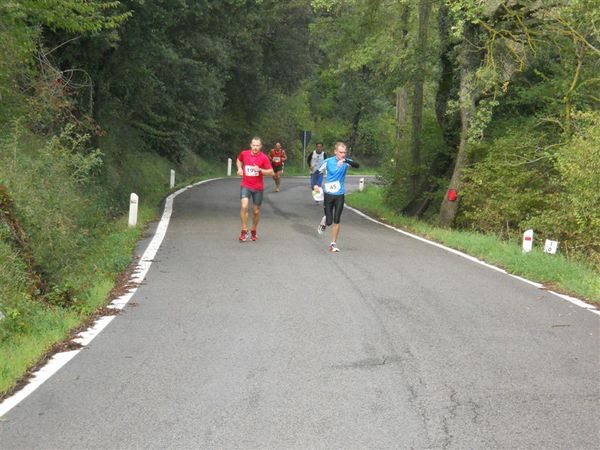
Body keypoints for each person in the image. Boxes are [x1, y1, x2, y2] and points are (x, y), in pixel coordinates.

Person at [315, 141, 359, 252]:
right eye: (340, 152)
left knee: (337, 220)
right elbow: (317, 172)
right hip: (329, 194)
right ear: (335, 152)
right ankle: (325, 220)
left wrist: (345, 160)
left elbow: (357, 165)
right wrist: (316, 184)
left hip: (340, 194)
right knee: (329, 221)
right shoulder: (328, 161)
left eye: (344, 152)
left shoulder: (346, 162)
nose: (343, 154)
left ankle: (333, 244)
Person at [236, 137, 274, 242]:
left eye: (257, 145)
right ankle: (244, 230)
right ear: (250, 145)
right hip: (246, 185)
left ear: (260, 146)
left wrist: (260, 170)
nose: (255, 147)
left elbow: (271, 172)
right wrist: (239, 168)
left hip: (258, 188)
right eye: (254, 145)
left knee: (256, 211)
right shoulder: (244, 153)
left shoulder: (264, 158)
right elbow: (239, 160)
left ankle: (253, 229)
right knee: (244, 206)